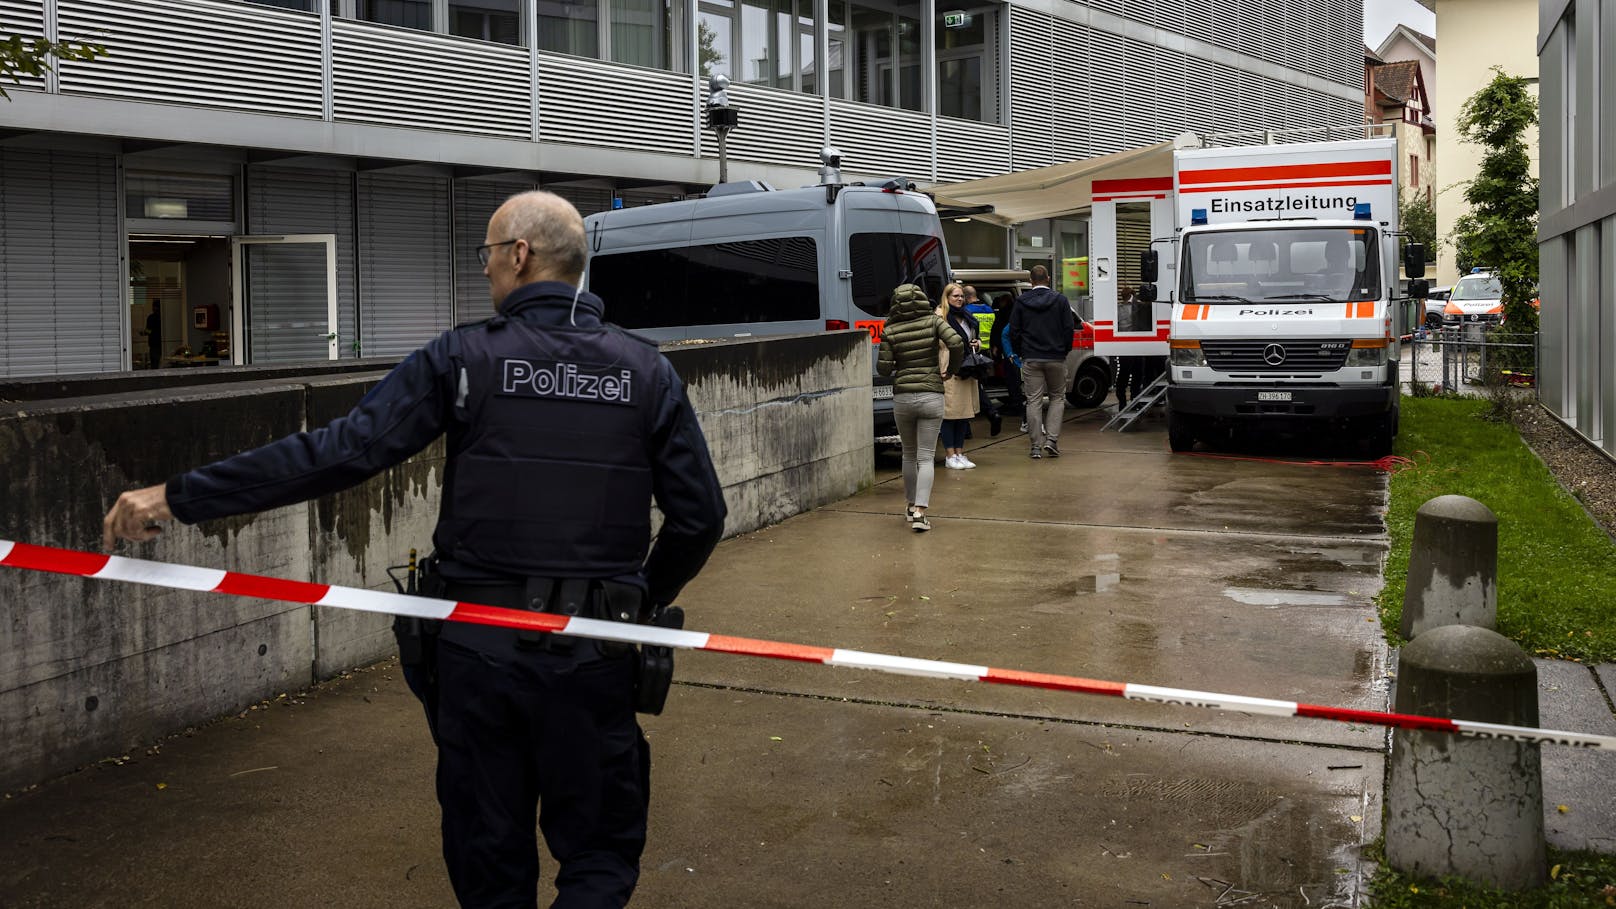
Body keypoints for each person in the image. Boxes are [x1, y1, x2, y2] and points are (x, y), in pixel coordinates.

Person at [102, 190, 728, 909]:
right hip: (595, 655)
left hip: (479, 655)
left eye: (489, 255)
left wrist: (178, 495)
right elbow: (700, 516)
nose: (488, 270)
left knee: (489, 861)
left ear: (519, 255)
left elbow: (337, 453)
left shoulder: (461, 358)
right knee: (598, 857)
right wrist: (638, 599)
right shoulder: (646, 372)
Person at [876, 282, 962, 533]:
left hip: (903, 397)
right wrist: (950, 370)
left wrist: (897, 365)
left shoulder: (890, 329)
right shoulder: (934, 322)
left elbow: (882, 368)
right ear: (923, 300)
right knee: (926, 456)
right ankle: (920, 512)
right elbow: (956, 343)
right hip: (931, 394)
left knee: (909, 454)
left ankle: (910, 503)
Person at [1008, 265, 1075, 459]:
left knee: (1033, 400)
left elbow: (1014, 331)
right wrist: (1064, 350)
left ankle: (1035, 446)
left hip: (1031, 357)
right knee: (1057, 397)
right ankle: (1052, 440)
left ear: (1031, 281)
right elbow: (1068, 328)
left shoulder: (1021, 301)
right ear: (1048, 278)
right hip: (1056, 357)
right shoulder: (1060, 300)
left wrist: (1021, 352)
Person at [937, 284, 980, 469]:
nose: (960, 299)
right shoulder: (940, 317)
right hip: (949, 368)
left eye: (962, 296)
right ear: (946, 298)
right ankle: (949, 455)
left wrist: (976, 343)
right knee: (950, 414)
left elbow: (972, 336)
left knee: (963, 414)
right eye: (956, 296)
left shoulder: (966, 317)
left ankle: (959, 453)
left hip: (967, 368)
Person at [961, 286, 1002, 436]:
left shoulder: (966, 312)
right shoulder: (990, 310)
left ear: (965, 298)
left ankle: (966, 429)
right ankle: (990, 414)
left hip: (971, 353)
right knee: (978, 388)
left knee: (968, 389)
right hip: (985, 354)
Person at [145, 299, 163, 369]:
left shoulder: (151, 318)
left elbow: (148, 331)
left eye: (154, 306)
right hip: (162, 344)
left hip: (154, 345)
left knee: (154, 365)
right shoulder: (163, 317)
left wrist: (143, 333)